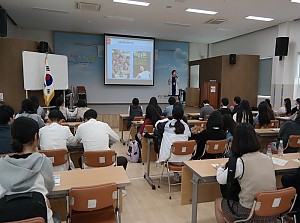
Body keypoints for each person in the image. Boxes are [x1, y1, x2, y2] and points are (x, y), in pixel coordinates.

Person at [214, 123, 277, 223]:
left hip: (250, 212)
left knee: (218, 202)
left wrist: (220, 168)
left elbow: (221, 179)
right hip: (271, 209)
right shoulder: (268, 158)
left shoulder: (240, 162)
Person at [0, 117, 56, 223]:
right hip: (40, 217)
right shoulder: (42, 161)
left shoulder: (1, 164)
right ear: (36, 137)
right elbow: (49, 187)